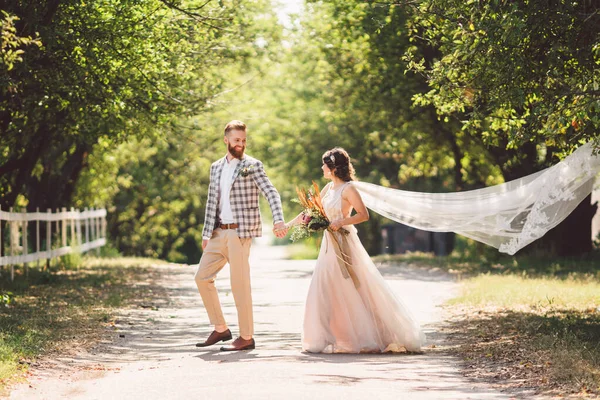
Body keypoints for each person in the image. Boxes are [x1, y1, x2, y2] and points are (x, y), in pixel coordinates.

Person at [286, 148, 423, 353]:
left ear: (332, 167)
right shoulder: (328, 188)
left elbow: (363, 214)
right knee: (324, 286)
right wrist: (286, 226)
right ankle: (323, 337)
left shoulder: (348, 189)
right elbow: (309, 212)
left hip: (345, 242)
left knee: (355, 286)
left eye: (324, 164)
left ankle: (372, 334)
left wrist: (342, 221)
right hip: (328, 245)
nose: (322, 167)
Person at [194, 120, 288, 351]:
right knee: (202, 278)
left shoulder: (253, 165)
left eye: (244, 140)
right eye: (237, 140)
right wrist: (206, 233)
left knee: (240, 286)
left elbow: (271, 193)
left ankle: (246, 337)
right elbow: (211, 202)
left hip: (240, 233)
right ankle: (220, 328)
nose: (241, 144)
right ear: (226, 140)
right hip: (218, 233)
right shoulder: (216, 167)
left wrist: (278, 219)